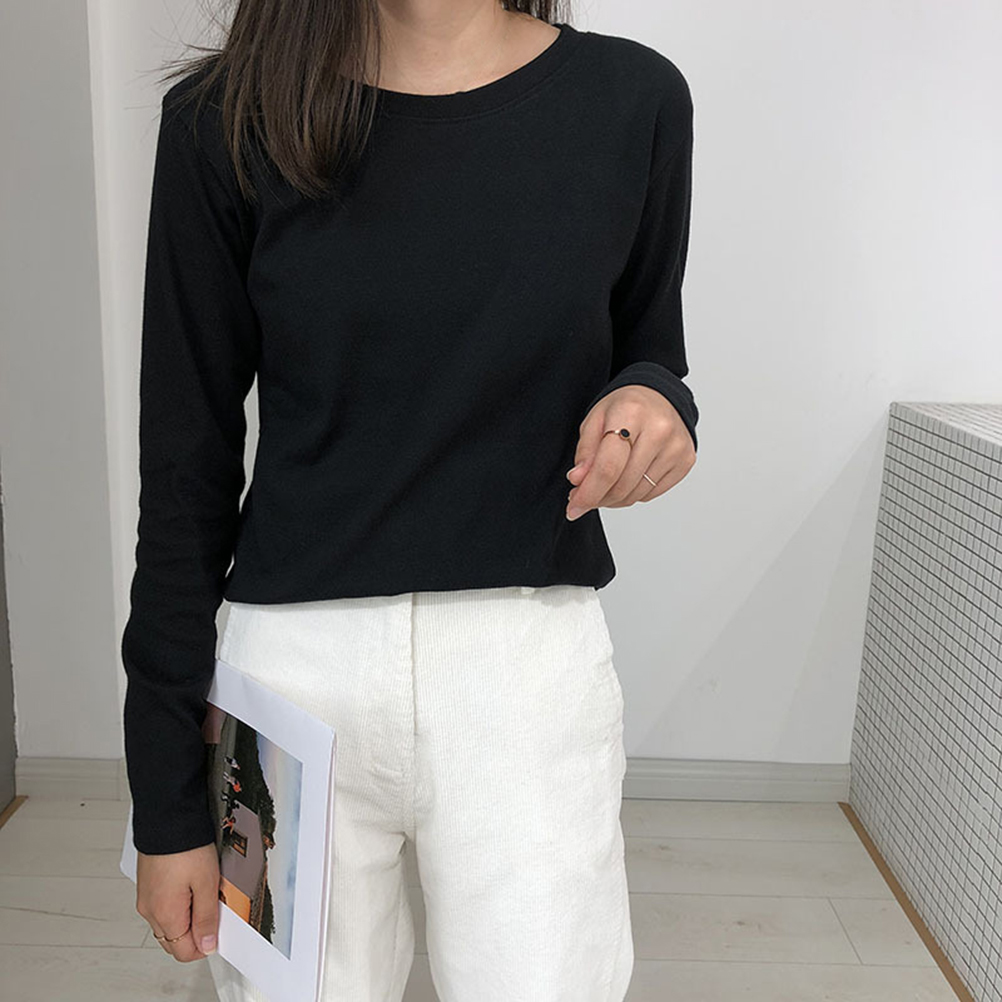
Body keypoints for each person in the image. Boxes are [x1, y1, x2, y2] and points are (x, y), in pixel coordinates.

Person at [124, 1, 698, 999]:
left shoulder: (632, 100)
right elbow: (183, 474)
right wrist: (165, 802)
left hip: (525, 677)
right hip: (285, 685)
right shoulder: (222, 119)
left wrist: (656, 401)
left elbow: (648, 343)